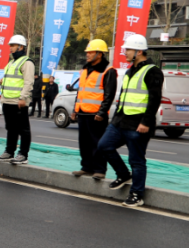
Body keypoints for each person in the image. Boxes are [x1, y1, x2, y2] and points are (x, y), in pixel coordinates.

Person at [95, 34, 163, 207]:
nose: (125, 52)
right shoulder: (130, 70)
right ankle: (124, 174)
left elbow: (154, 99)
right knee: (104, 146)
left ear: (139, 51)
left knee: (137, 160)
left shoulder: (152, 71)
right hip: (120, 121)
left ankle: (136, 194)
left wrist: (146, 123)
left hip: (138, 124)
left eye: (128, 50)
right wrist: (115, 118)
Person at [70, 39, 118, 181]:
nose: (87, 55)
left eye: (91, 52)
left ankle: (99, 169)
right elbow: (81, 92)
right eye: (87, 52)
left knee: (97, 143)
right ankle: (86, 167)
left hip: (96, 114)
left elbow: (109, 95)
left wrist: (102, 112)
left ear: (100, 54)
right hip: (83, 111)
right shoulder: (85, 70)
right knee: (84, 142)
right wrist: (75, 109)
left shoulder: (108, 71)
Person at [0, 34, 35, 165]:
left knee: (23, 129)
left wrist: (23, 98)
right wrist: (3, 82)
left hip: (18, 101)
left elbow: (28, 82)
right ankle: (9, 152)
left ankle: (23, 154)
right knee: (10, 128)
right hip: (7, 100)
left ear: (21, 47)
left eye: (13, 45)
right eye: (10, 45)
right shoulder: (11, 63)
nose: (10, 48)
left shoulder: (27, 62)